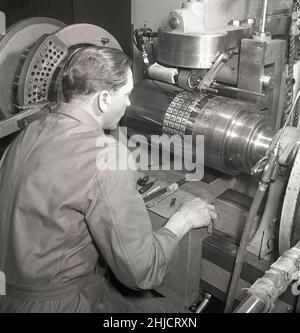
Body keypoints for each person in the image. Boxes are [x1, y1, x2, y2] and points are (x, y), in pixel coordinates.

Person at [0, 46, 217, 313]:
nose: (128, 103)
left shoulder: (27, 134)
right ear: (103, 100)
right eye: (126, 95)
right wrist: (183, 219)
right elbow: (142, 273)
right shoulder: (108, 157)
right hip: (59, 304)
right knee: (174, 313)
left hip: (7, 294)